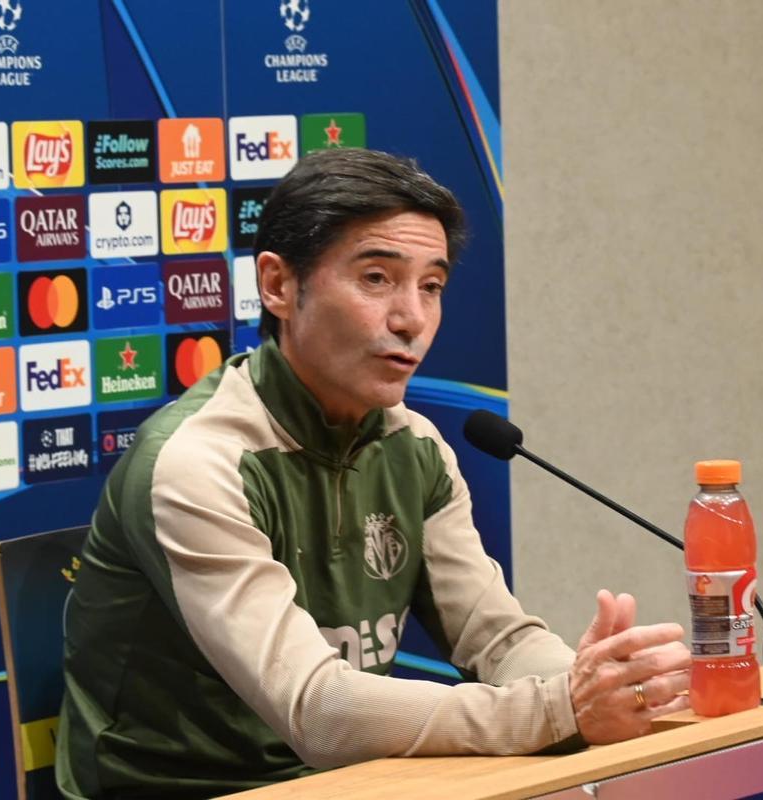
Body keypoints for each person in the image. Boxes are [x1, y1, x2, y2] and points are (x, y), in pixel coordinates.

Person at [56, 148, 691, 799]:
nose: (411, 318)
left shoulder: (413, 446)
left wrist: (604, 689)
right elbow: (318, 713)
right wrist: (560, 710)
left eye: (432, 287)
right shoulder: (196, 462)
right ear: (278, 286)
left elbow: (495, 637)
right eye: (378, 279)